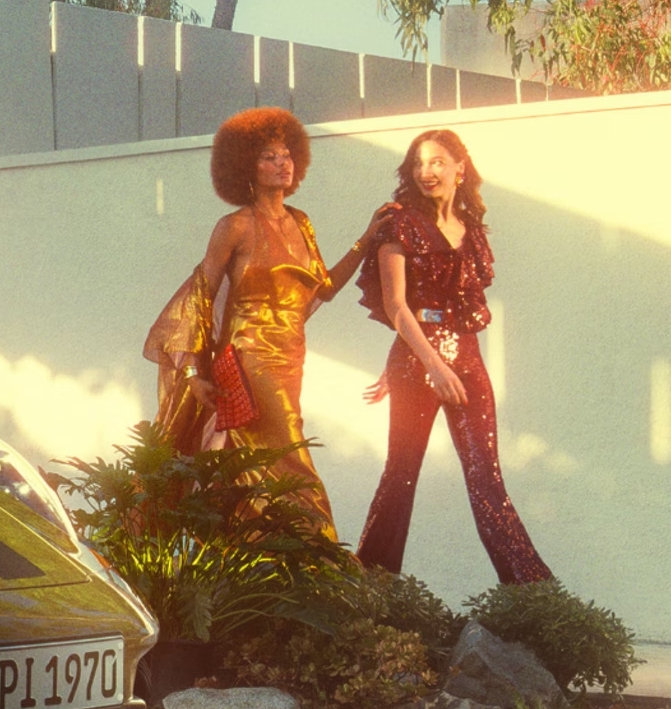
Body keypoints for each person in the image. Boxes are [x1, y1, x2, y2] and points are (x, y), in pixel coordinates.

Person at [144, 107, 382, 539]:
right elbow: (200, 296)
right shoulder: (233, 226)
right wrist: (193, 372)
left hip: (291, 357)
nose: (282, 163)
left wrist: (365, 240)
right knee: (291, 455)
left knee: (259, 462)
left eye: (287, 155)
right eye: (268, 157)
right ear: (245, 167)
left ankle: (252, 553)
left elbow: (324, 288)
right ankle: (322, 554)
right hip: (248, 359)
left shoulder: (302, 222)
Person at [351, 129, 554, 584]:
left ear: (460, 168)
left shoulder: (472, 231)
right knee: (401, 475)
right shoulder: (399, 225)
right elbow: (397, 306)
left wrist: (445, 363)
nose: (426, 171)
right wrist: (428, 365)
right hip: (418, 363)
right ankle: (372, 587)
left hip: (466, 356)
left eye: (437, 161)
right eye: (419, 163)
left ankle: (534, 595)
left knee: (487, 479)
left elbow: (461, 307)